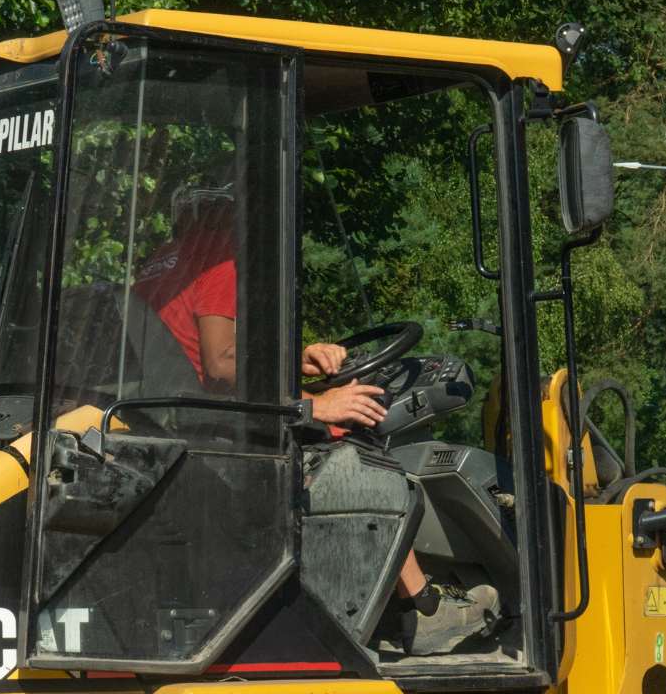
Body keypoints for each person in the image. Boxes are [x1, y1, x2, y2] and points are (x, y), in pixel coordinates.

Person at [133, 180, 498, 656]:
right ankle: (424, 608)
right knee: (356, 448)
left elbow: (198, 361)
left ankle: (386, 595)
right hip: (218, 432)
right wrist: (315, 406)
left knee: (339, 424)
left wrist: (294, 360)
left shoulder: (164, 261)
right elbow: (222, 365)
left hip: (184, 422)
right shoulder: (218, 256)